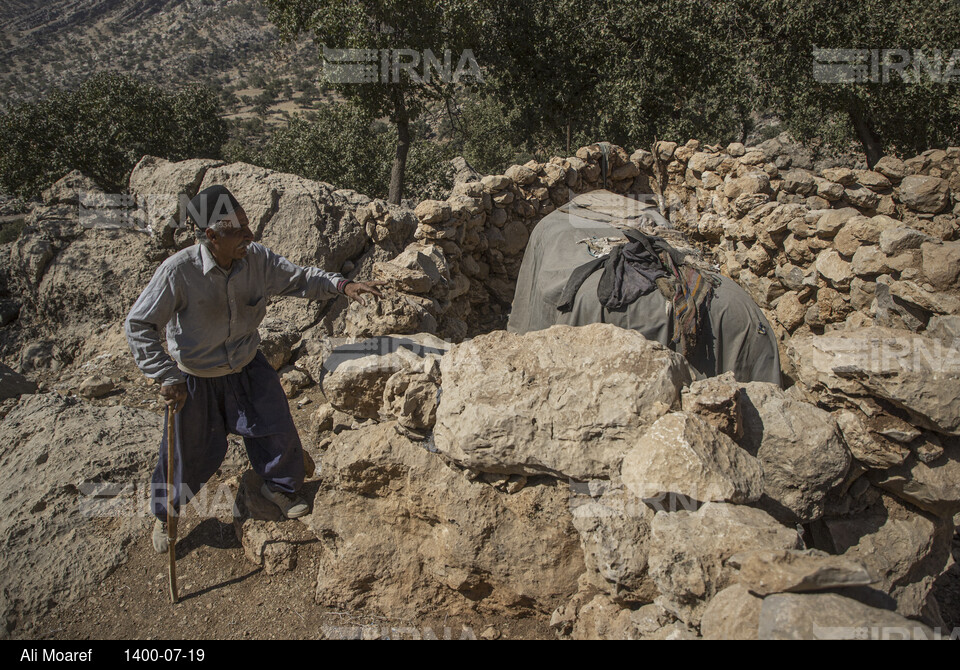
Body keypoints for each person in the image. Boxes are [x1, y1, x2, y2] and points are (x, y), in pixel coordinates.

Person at [125, 185, 383, 553]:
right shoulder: (179, 272)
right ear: (211, 235)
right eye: (238, 230)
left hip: (247, 365)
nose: (250, 235)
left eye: (248, 225)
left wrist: (343, 284)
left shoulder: (256, 259)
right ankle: (166, 514)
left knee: (275, 429)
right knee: (187, 452)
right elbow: (139, 325)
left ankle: (278, 487)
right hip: (196, 378)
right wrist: (166, 375)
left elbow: (301, 279)